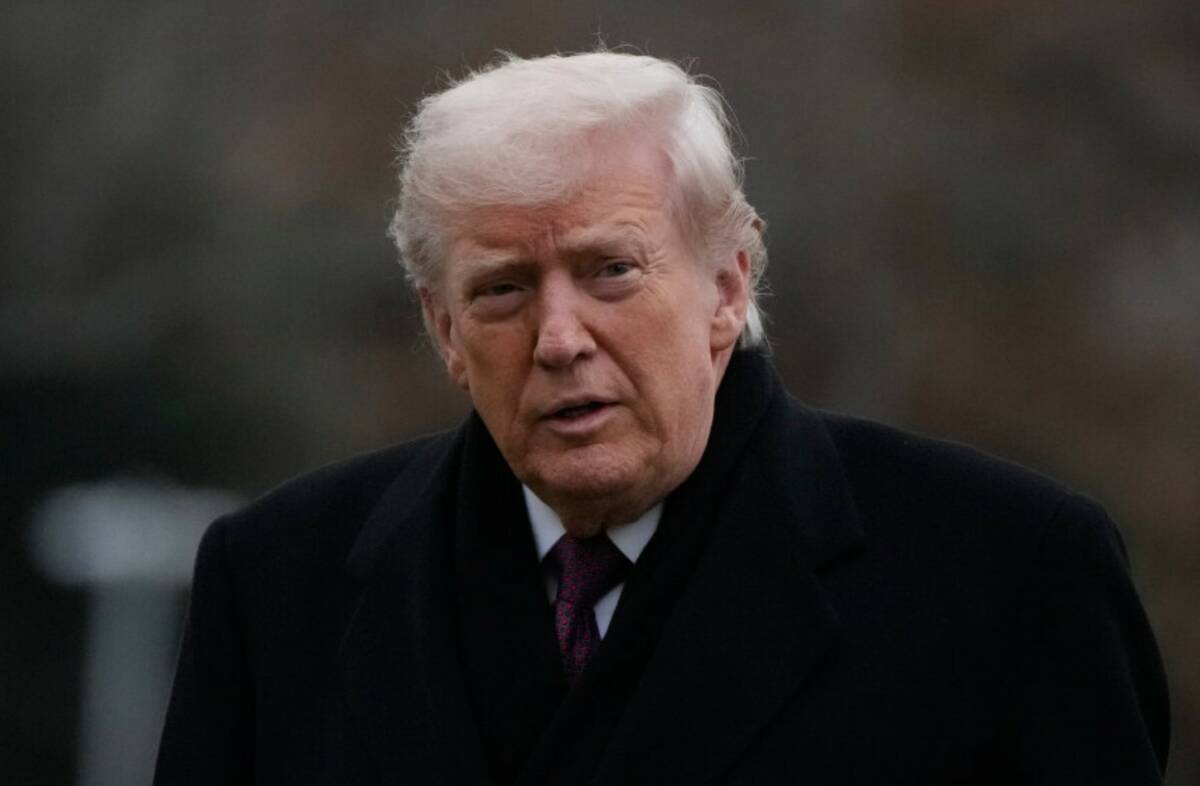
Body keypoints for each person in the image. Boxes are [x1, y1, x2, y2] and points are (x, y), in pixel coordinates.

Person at [154, 51, 1169, 785]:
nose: (559, 338)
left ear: (729, 284)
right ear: (442, 325)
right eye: (504, 289)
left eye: (611, 271)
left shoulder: (1005, 571)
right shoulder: (279, 582)